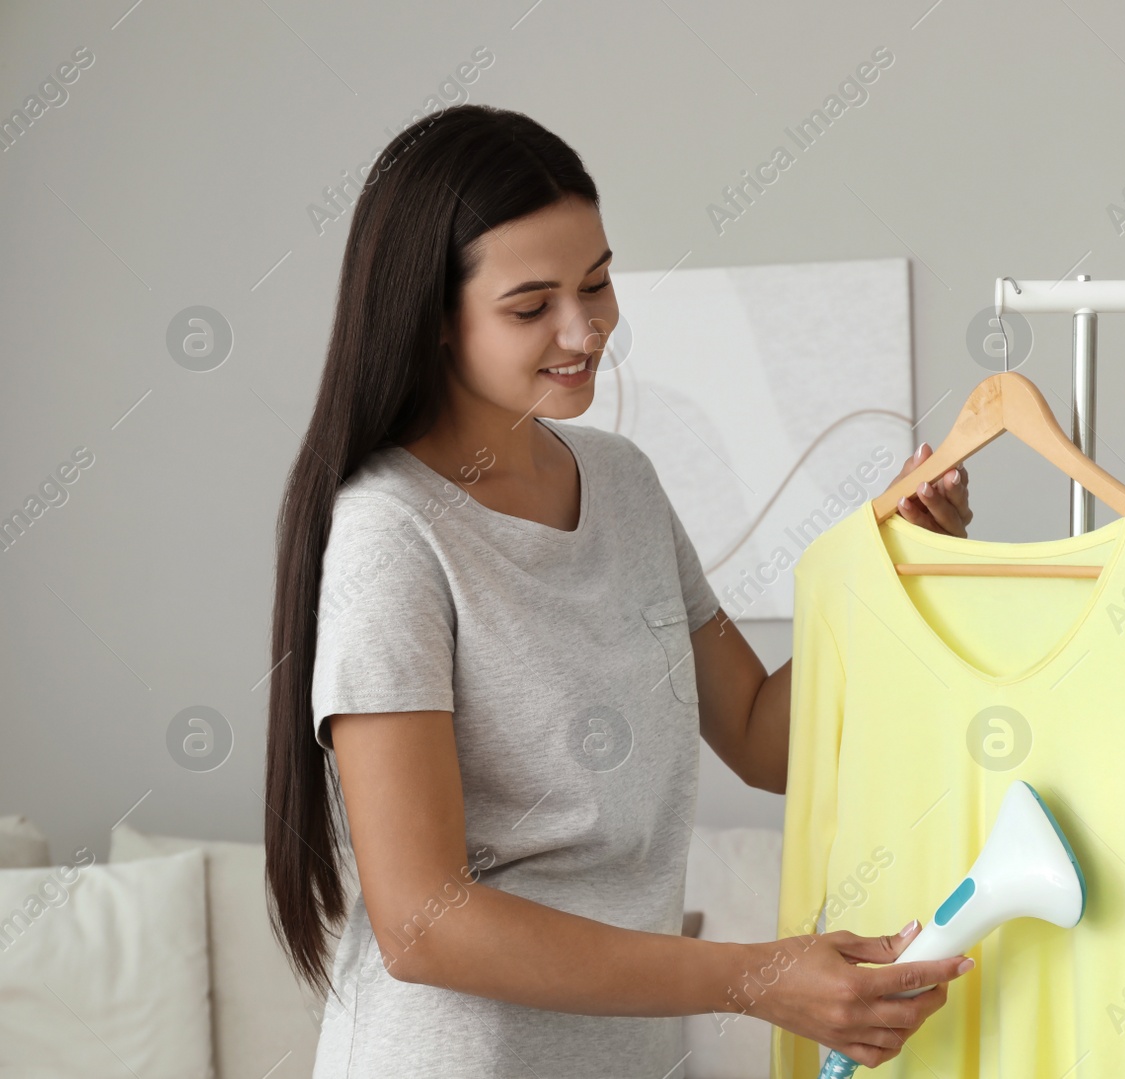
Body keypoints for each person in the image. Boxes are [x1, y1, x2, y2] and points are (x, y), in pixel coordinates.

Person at [263, 104, 973, 1078]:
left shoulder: (623, 484)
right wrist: (754, 976)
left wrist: (894, 573)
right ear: (432, 317)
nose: (584, 327)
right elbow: (424, 922)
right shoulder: (394, 532)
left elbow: (766, 735)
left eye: (596, 281)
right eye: (531, 305)